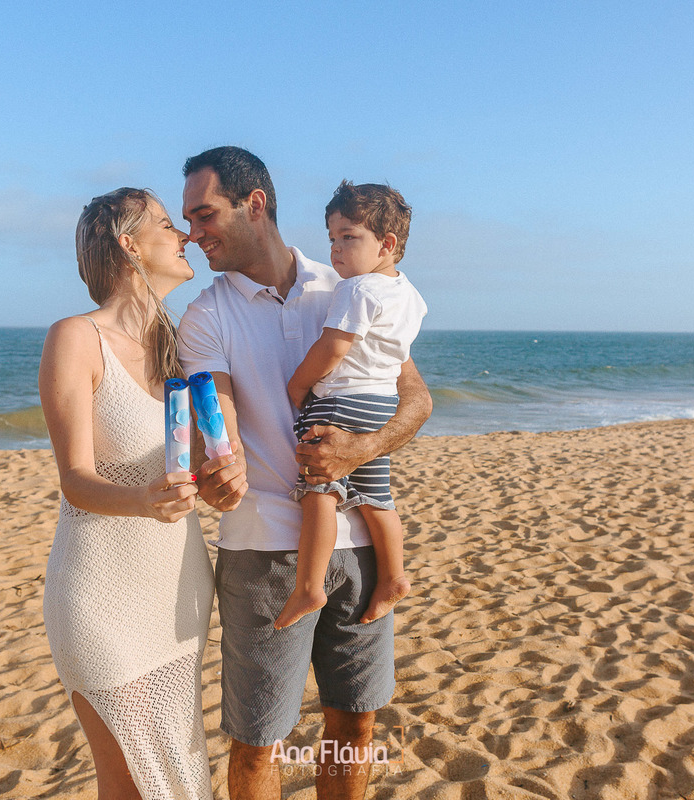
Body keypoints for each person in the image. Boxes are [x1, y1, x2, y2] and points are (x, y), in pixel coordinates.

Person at [177, 147, 432, 800]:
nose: (192, 233)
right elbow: (220, 418)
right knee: (259, 742)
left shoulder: (351, 283)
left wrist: (360, 448)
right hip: (264, 555)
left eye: (204, 214)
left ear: (254, 204)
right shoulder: (206, 315)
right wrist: (219, 467)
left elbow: (417, 400)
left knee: (355, 725)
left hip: (362, 545)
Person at [39, 188, 217, 800]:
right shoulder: (75, 337)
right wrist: (144, 498)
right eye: (171, 225)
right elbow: (75, 479)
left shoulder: (182, 345)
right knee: (135, 782)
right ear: (129, 244)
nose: (187, 236)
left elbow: (198, 465)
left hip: (178, 593)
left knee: (182, 776)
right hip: (101, 596)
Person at [276, 181, 427, 631]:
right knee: (377, 496)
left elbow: (333, 348)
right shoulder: (411, 296)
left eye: (348, 237)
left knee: (318, 488)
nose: (336, 249)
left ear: (388, 244)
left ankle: (309, 585)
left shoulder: (357, 290)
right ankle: (394, 576)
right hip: (381, 406)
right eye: (332, 238)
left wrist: (298, 385)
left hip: (341, 401)